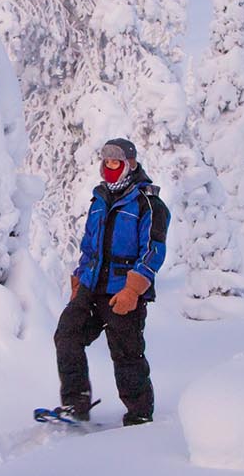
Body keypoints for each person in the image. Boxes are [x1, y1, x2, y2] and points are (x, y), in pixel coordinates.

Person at [51, 138, 170, 426]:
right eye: (106, 161)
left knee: (126, 354)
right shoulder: (99, 200)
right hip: (91, 288)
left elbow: (153, 250)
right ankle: (76, 404)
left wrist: (133, 289)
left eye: (116, 162)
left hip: (123, 293)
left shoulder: (148, 203)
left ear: (129, 164)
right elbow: (89, 246)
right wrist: (79, 280)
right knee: (67, 336)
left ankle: (140, 415)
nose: (109, 167)